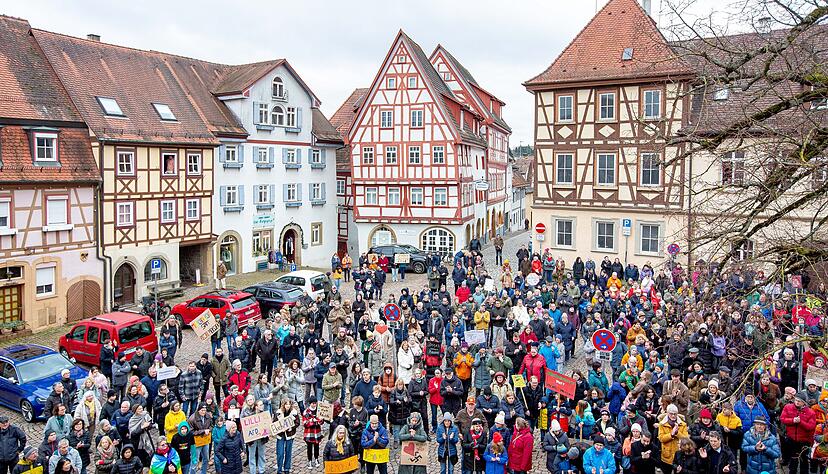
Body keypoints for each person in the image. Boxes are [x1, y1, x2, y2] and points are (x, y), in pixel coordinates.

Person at [274, 399, 300, 474]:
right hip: (281, 435)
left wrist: (291, 428)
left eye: (289, 404)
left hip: (290, 434)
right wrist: (280, 429)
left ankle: (287, 468)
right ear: (283, 405)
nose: (288, 405)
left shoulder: (294, 413)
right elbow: (274, 423)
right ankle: (279, 469)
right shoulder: (278, 413)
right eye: (286, 404)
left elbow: (297, 422)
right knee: (280, 453)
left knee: (288, 452)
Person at [302, 398, 323, 468]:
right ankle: (310, 461)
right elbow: (305, 424)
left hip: (317, 432)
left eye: (315, 403)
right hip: (309, 433)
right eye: (313, 403)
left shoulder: (319, 410)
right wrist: (315, 421)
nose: (314, 405)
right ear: (310, 403)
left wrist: (317, 421)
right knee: (309, 447)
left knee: (317, 446)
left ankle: (316, 459)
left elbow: (321, 422)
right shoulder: (306, 412)